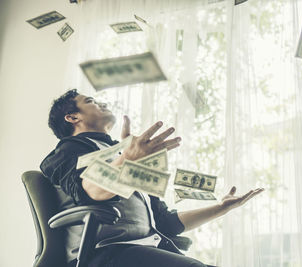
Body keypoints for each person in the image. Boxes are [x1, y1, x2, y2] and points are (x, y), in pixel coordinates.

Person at [40, 89, 264, 267]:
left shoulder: (123, 154)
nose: (103, 104)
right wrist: (128, 159)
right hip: (105, 256)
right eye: (91, 101)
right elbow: (91, 192)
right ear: (72, 117)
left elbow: (165, 222)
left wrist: (221, 208)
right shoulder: (67, 151)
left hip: (146, 250)